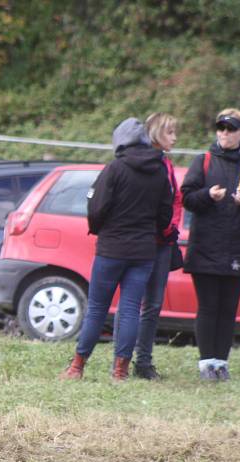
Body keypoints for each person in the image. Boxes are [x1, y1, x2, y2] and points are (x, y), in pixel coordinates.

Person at [60, 117, 172, 381]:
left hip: (111, 248)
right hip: (144, 250)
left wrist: (100, 228)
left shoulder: (115, 169)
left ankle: (77, 367)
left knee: (98, 308)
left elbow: (96, 208)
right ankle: (120, 370)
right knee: (131, 308)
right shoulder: (160, 171)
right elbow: (165, 215)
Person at [181, 108, 240, 381]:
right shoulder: (204, 161)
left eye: (230, 129)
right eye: (220, 128)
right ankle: (206, 363)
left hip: (238, 247)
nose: (224, 133)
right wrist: (208, 195)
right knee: (208, 306)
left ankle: (221, 362)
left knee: (229, 307)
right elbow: (187, 198)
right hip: (205, 245)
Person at [112, 113, 180, 380]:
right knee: (129, 303)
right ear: (154, 134)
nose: (175, 138)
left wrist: (170, 228)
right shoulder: (140, 163)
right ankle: (120, 361)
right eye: (170, 132)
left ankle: (144, 361)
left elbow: (175, 200)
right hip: (140, 243)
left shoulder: (168, 164)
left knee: (153, 304)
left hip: (163, 242)